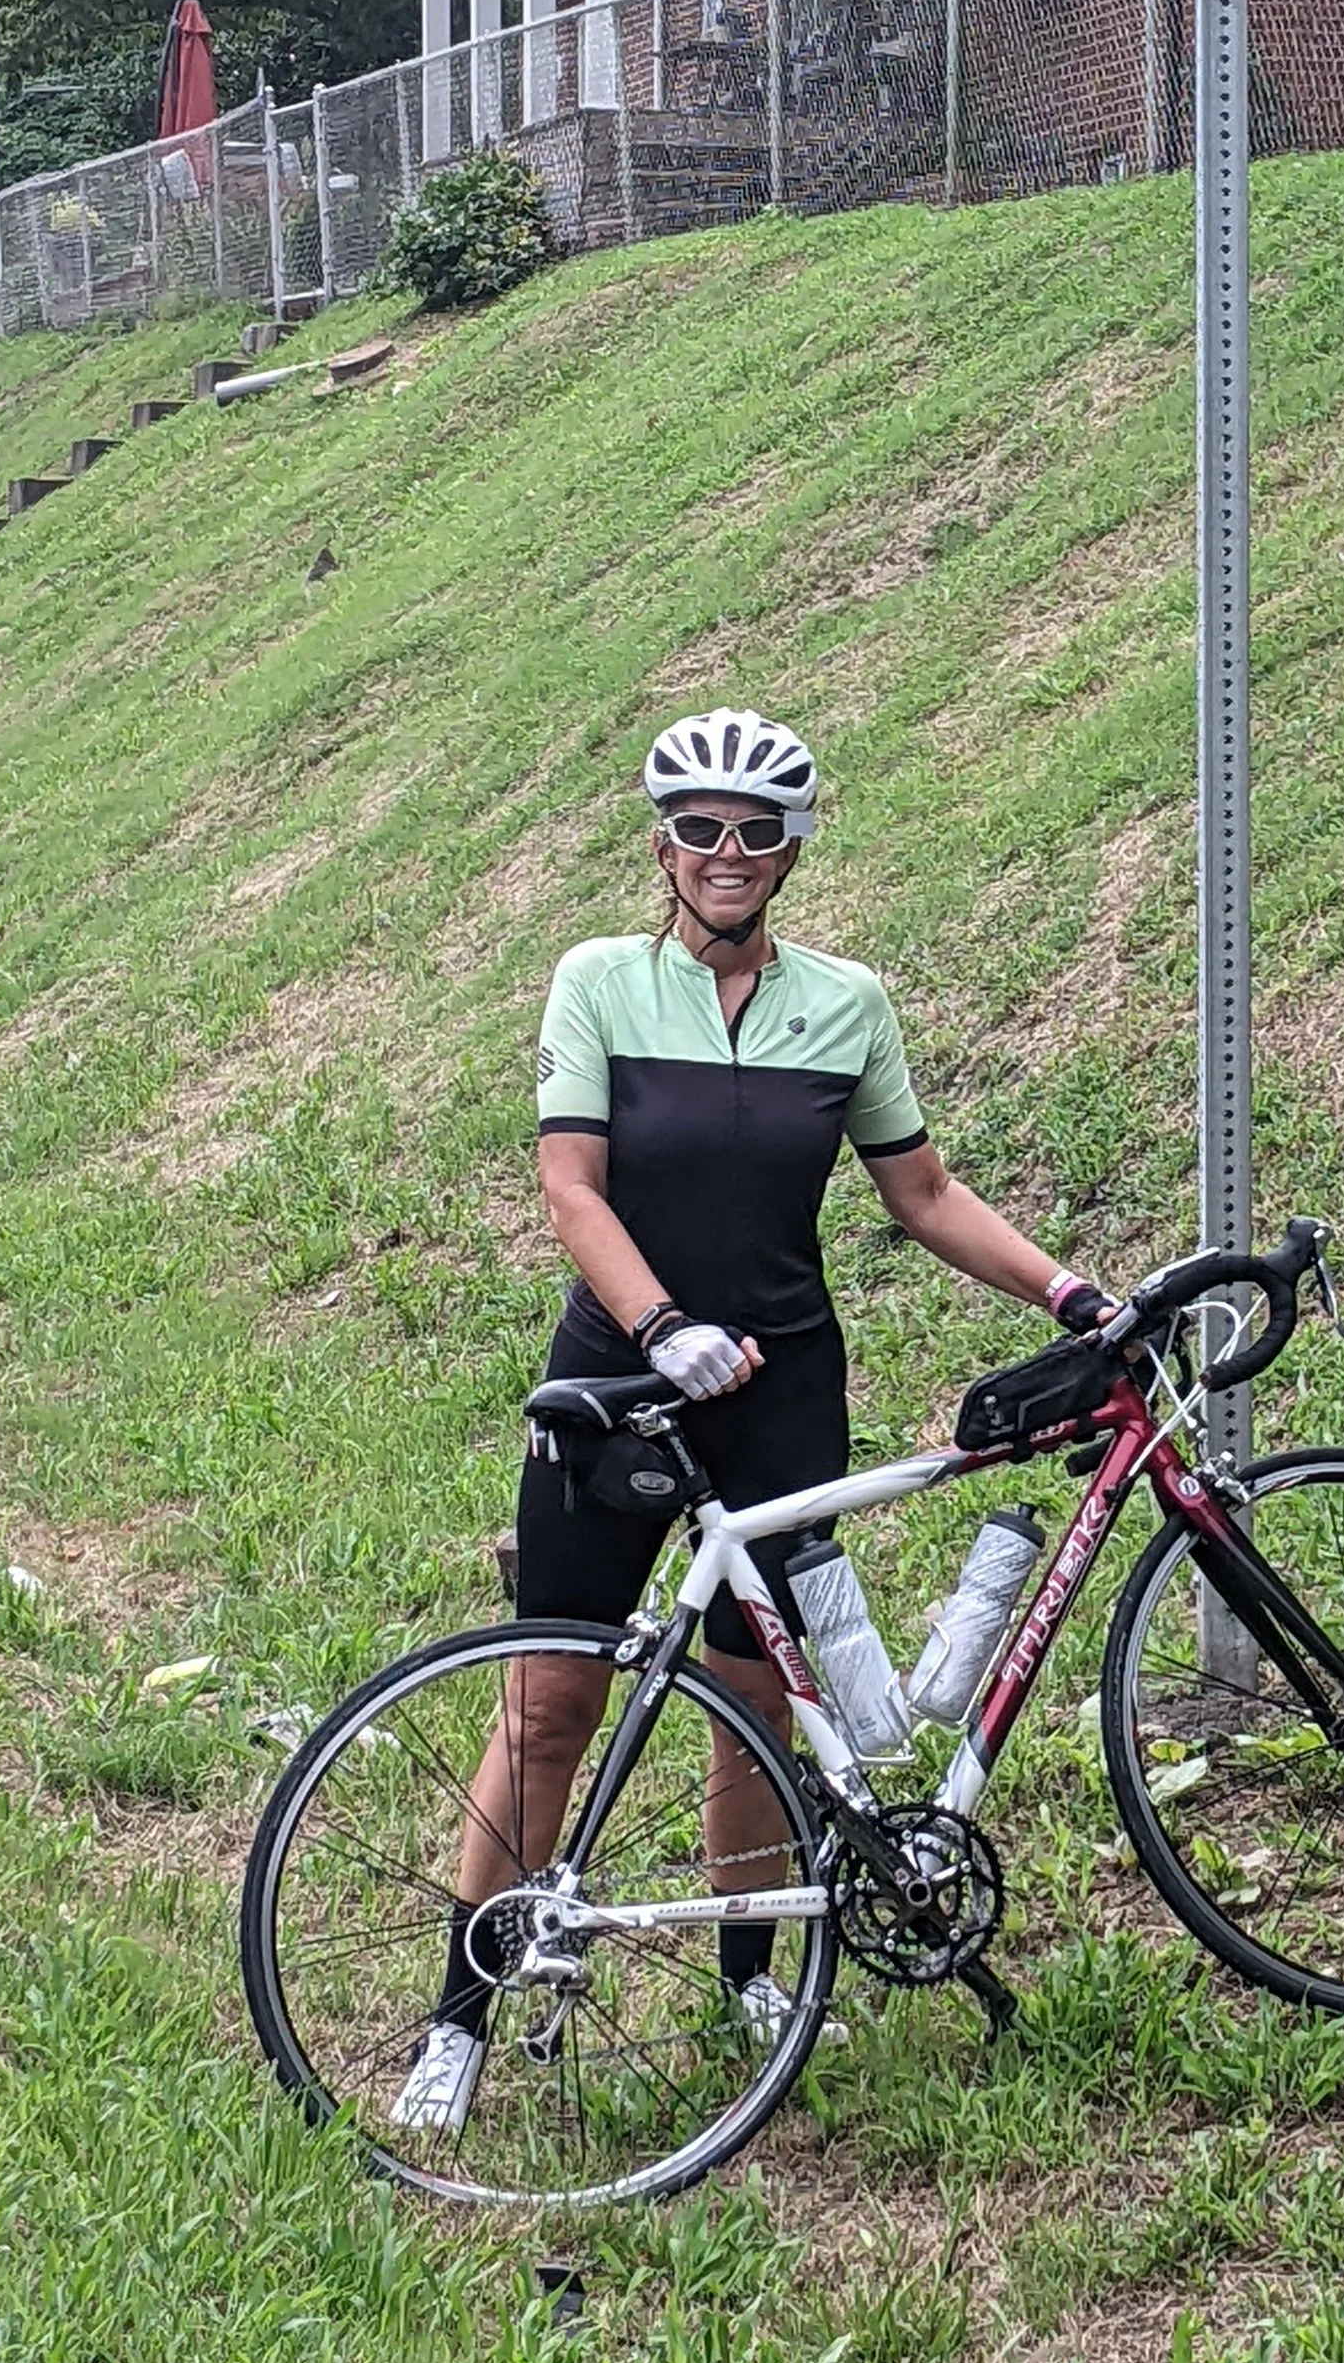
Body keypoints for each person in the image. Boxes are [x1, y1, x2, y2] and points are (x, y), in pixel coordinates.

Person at [392, 708, 1104, 2133]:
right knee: (551, 1705)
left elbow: (923, 1195)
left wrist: (1071, 1291)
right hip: (619, 1383)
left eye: (758, 829)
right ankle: (459, 2016)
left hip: (784, 1396)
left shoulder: (849, 1004)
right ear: (663, 844)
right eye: (702, 828)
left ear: (793, 846)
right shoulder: (600, 981)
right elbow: (573, 1191)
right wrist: (662, 1326)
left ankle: (748, 1982)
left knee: (758, 1697)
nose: (729, 852)